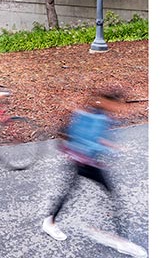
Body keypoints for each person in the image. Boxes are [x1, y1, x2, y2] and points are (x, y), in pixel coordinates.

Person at [41, 86, 129, 242]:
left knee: (72, 191)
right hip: (83, 162)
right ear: (107, 102)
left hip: (84, 161)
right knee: (108, 191)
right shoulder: (96, 116)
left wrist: (106, 145)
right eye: (116, 104)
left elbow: (95, 137)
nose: (118, 108)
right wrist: (108, 149)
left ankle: (50, 221)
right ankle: (121, 235)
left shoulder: (101, 115)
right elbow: (85, 141)